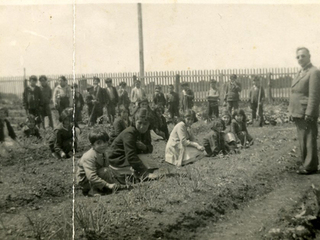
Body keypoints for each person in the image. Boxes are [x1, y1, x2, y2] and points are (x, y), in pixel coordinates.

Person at [288, 47, 320, 175]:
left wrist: (310, 112)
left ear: (309, 56)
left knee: (309, 139)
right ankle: (307, 164)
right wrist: (291, 111)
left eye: (303, 56)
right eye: (298, 57)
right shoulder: (300, 72)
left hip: (306, 111)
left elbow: (314, 95)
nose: (300, 59)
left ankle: (310, 166)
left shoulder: (314, 72)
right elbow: (294, 93)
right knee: (303, 139)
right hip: (297, 111)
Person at [107, 108, 156, 185]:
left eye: (145, 124)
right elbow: (131, 155)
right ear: (134, 121)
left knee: (150, 161)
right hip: (117, 159)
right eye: (139, 123)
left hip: (128, 157)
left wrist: (145, 147)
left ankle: (135, 174)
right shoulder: (130, 133)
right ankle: (124, 174)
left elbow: (150, 148)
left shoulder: (146, 132)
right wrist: (144, 172)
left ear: (150, 124)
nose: (142, 126)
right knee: (142, 170)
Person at [77, 128, 117, 196]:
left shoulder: (103, 153)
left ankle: (102, 188)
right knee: (105, 171)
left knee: (108, 170)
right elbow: (91, 176)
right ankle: (92, 190)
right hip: (86, 181)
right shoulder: (89, 156)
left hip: (96, 175)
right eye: (99, 143)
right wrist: (108, 184)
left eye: (105, 142)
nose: (103, 145)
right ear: (92, 145)